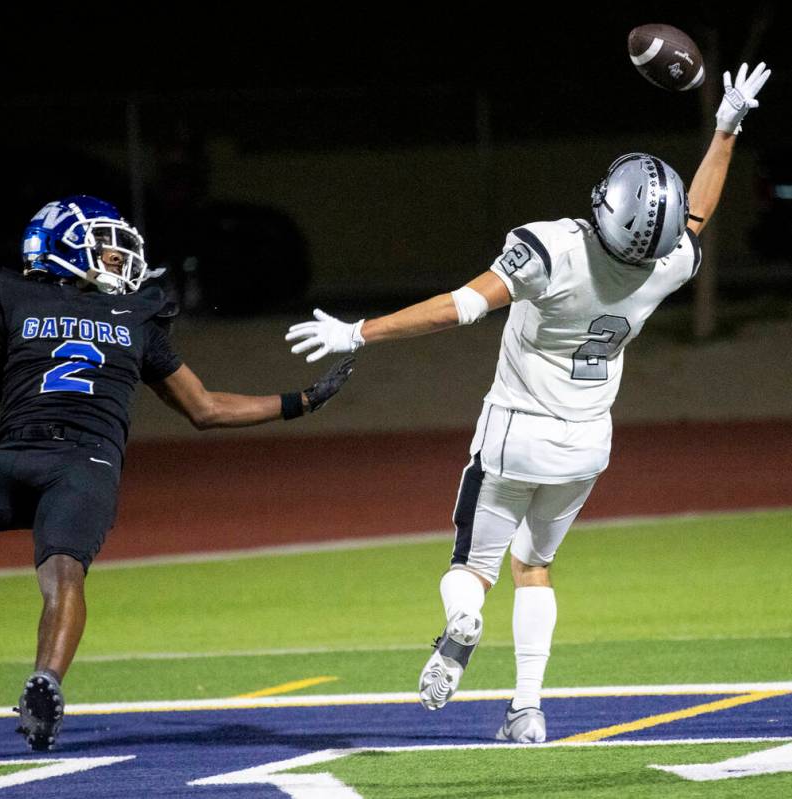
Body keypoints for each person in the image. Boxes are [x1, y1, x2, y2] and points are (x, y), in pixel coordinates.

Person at [286, 62, 770, 743]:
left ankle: (461, 623)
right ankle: (527, 709)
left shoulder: (551, 247)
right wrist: (726, 126)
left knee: (473, 568)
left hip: (515, 430)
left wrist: (358, 330)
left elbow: (459, 308)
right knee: (534, 566)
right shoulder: (665, 265)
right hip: (586, 443)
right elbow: (695, 211)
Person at [0, 195, 354, 761]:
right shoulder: (9, 298)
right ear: (60, 247)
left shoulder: (137, 314)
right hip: (11, 455)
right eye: (107, 244)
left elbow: (204, 406)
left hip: (85, 464)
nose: (119, 257)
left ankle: (45, 687)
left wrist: (299, 401)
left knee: (63, 570)